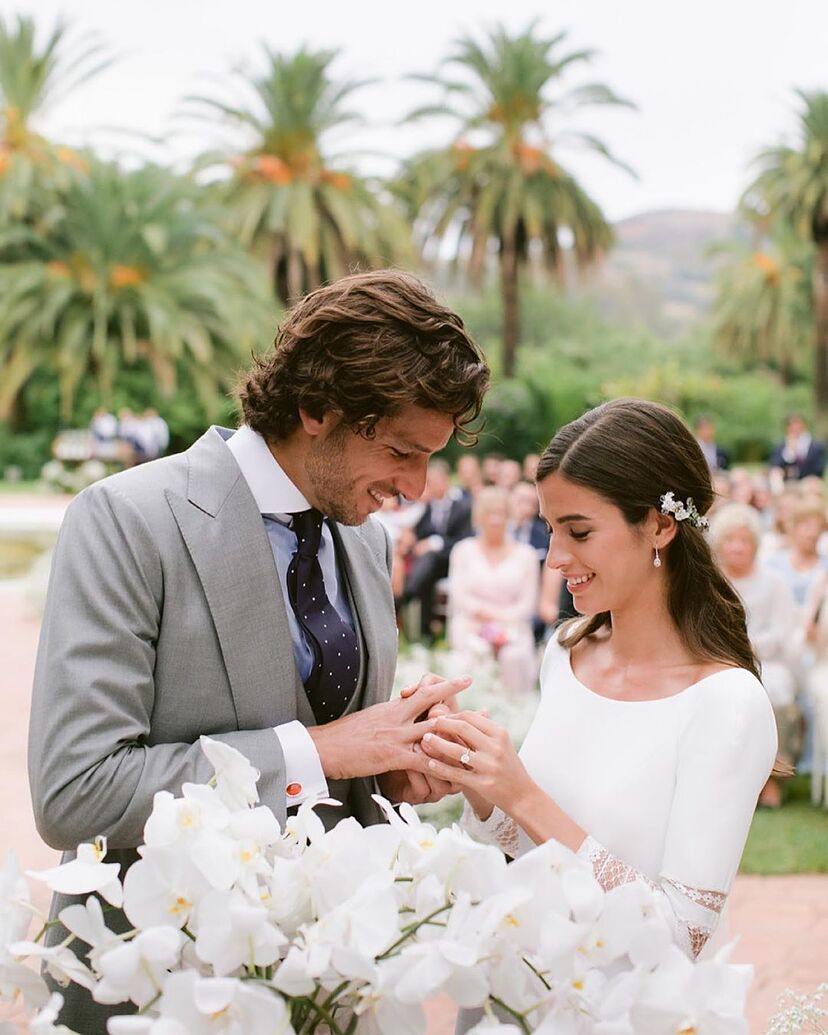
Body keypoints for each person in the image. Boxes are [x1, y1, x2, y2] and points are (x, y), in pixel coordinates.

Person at [28, 269, 490, 1033]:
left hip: (324, 992)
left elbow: (328, 772)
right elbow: (77, 791)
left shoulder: (366, 542)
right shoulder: (127, 520)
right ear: (316, 408)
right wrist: (325, 750)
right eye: (401, 451)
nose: (415, 486)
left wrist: (385, 769)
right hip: (155, 993)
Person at [419, 399, 777, 1029]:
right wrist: (480, 779)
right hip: (513, 996)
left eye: (579, 532)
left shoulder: (726, 704)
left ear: (659, 526)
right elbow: (534, 849)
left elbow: (680, 938)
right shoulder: (566, 652)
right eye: (549, 529)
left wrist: (524, 796)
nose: (554, 557)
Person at [709, 503, 801, 807]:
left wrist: (749, 646)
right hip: (719, 660)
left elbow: (782, 630)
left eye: (744, 540)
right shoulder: (711, 583)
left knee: (775, 690)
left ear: (755, 544)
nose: (737, 547)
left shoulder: (774, 582)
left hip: (767, 660)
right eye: (730, 540)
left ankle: (772, 776)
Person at [447, 487, 540, 697]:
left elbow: (527, 604)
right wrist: (484, 619)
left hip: (514, 627)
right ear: (479, 517)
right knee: (474, 652)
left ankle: (514, 708)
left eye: (501, 513)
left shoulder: (526, 555)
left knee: (513, 657)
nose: (495, 520)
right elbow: (459, 596)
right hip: (471, 624)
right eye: (489, 513)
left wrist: (502, 625)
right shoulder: (463, 550)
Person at [397, 458, 473, 639]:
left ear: (446, 480)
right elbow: (414, 534)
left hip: (451, 561)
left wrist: (435, 543)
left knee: (428, 560)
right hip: (426, 566)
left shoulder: (463, 508)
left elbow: (465, 540)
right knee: (426, 572)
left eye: (435, 481)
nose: (431, 485)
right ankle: (425, 633)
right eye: (428, 481)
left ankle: (404, 597)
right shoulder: (423, 508)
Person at [769, 413, 826, 487]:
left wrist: (796, 472)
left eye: (797, 424)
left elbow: (818, 469)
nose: (794, 428)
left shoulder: (816, 446)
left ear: (804, 425)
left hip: (808, 479)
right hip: (785, 480)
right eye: (791, 425)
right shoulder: (781, 446)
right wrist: (789, 452)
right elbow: (774, 465)